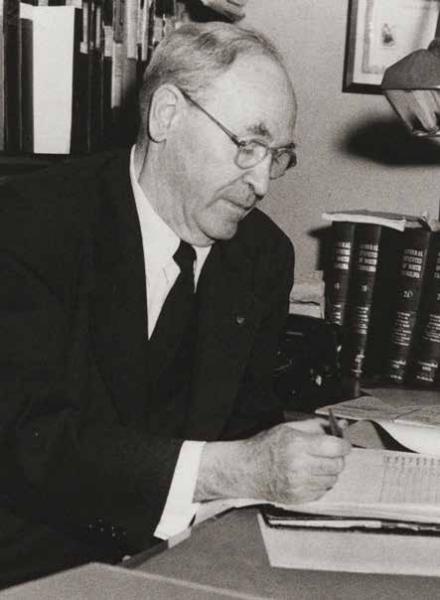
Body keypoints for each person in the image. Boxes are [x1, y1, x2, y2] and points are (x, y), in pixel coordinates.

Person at [0, 21, 350, 589]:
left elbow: (248, 425)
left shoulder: (261, 256)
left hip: (182, 565)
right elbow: (29, 443)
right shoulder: (29, 225)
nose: (261, 182)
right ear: (166, 115)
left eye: (277, 155)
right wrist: (229, 469)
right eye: (247, 145)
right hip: (35, 568)